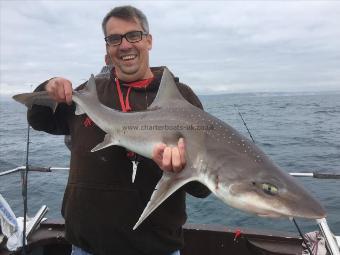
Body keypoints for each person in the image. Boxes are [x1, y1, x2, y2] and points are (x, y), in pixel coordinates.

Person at [27, 5, 210, 255]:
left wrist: (183, 169)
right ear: (107, 48)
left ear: (149, 40)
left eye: (133, 35)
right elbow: (40, 120)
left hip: (156, 248)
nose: (124, 45)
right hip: (85, 246)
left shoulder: (182, 99)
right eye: (114, 39)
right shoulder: (89, 94)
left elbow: (203, 188)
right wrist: (48, 87)